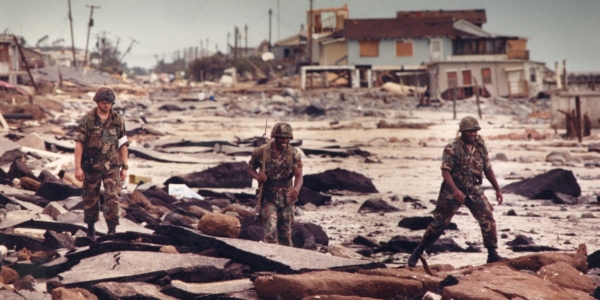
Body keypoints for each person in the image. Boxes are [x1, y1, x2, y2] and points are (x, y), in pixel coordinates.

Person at [408, 116, 504, 267]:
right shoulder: (451, 148)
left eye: (475, 130)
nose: (473, 134)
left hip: (473, 189)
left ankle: (492, 253)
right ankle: (419, 250)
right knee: (439, 223)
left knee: (487, 217)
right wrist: (454, 190)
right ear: (462, 132)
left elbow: (488, 169)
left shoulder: (480, 146)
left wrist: (498, 189)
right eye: (469, 131)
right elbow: (445, 171)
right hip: (453, 190)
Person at [74, 87, 129, 241]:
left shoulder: (118, 120)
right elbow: (79, 144)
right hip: (91, 166)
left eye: (110, 103)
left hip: (112, 166)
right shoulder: (87, 120)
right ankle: (91, 230)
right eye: (104, 102)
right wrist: (77, 168)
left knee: (113, 196)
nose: (107, 106)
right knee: (90, 198)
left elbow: (123, 144)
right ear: (97, 101)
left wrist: (125, 167)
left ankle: (112, 230)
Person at [247, 123, 303, 246]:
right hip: (268, 197)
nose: (285, 140)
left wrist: (296, 189)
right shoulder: (261, 152)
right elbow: (250, 168)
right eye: (282, 137)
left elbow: (299, 175)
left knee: (285, 236)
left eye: (288, 138)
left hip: (287, 198)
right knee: (270, 233)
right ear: (275, 136)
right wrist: (258, 177)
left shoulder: (294, 153)